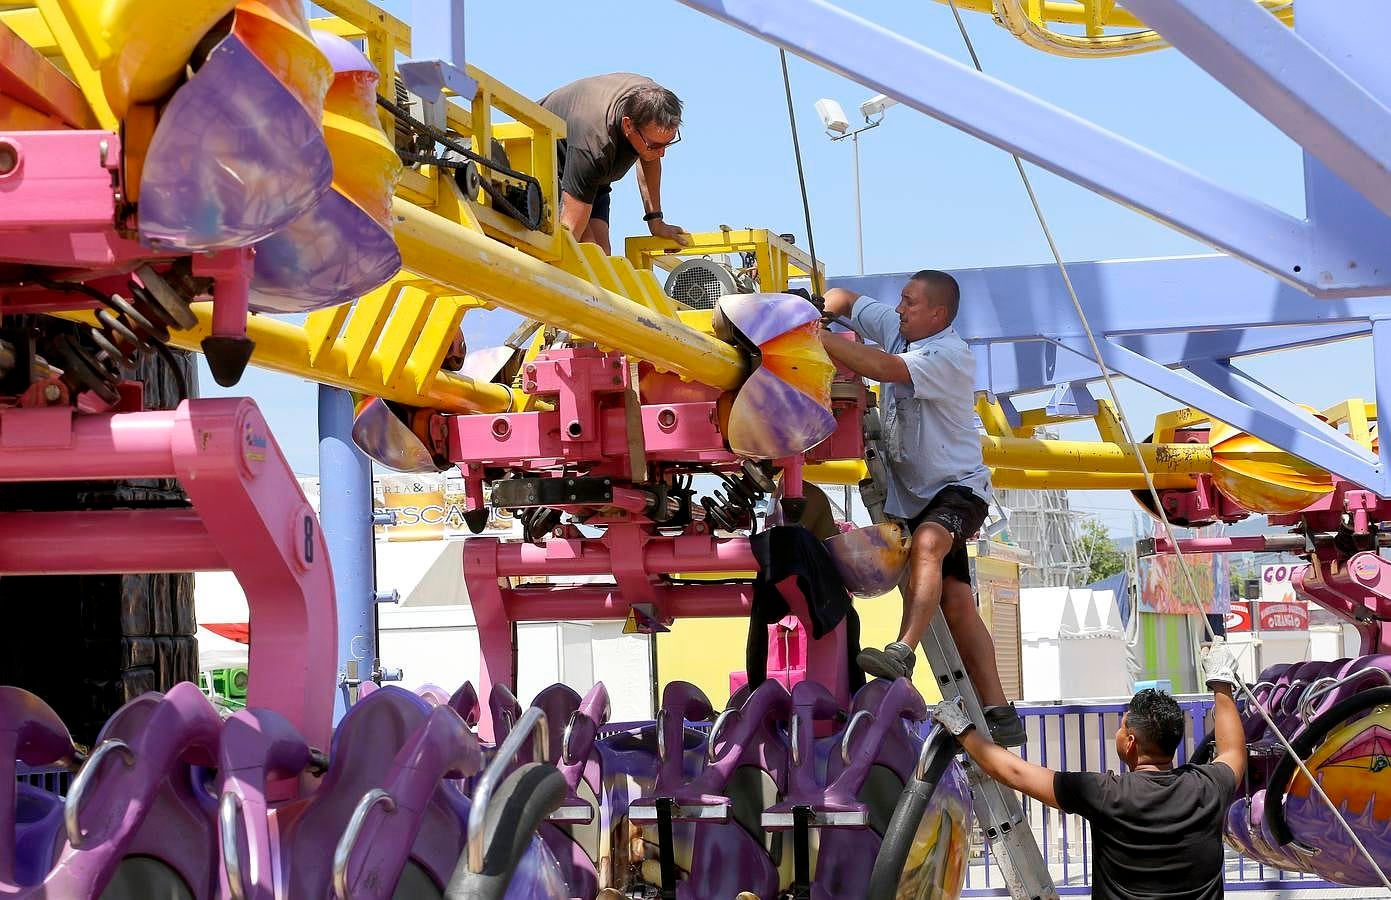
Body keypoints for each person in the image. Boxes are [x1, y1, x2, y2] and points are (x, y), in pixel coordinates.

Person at [819, 272, 1024, 746]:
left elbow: (885, 369)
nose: (900, 310)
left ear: (939, 315)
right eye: (901, 301)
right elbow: (845, 297)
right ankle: (998, 710)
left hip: (957, 487)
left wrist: (816, 337)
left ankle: (902, 651)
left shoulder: (948, 355)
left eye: (910, 304)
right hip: (913, 496)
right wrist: (820, 309)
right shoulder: (901, 328)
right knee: (954, 601)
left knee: (930, 544)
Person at [930, 640, 1248, 900]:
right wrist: (1221, 683)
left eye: (1121, 727)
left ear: (1132, 742)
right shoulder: (1207, 786)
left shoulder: (1105, 794)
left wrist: (963, 731)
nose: (1118, 733)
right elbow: (1233, 750)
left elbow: (1015, 773)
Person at [539, 73, 691, 254]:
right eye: (655, 145)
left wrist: (656, 222)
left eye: (668, 143)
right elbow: (569, 232)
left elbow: (650, 157)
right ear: (628, 126)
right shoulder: (595, 145)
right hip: (545, 156)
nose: (662, 153)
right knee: (587, 248)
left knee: (603, 252)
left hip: (594, 173)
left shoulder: (652, 102)